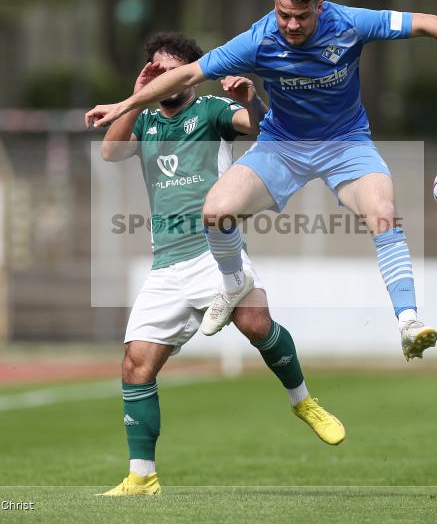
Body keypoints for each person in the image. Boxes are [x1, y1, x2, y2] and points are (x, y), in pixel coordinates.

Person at [86, 0, 437, 364]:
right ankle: (233, 283)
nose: (292, 25)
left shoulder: (350, 23)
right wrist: (125, 103)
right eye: (284, 15)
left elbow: (427, 23)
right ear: (274, 8)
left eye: (301, 15)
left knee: (382, 213)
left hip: (345, 144)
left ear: (320, 6)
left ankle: (409, 322)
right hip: (283, 144)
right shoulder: (258, 39)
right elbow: (185, 75)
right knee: (216, 211)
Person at [90, 32, 345, 497]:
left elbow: (263, 128)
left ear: (191, 73)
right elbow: (110, 151)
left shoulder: (210, 110)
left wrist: (253, 97)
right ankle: (142, 477)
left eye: (171, 70)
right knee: (135, 365)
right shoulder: (145, 118)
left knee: (254, 323)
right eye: (156, 69)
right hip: (165, 266)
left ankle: (303, 402)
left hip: (213, 252)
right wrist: (133, 94)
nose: (163, 77)